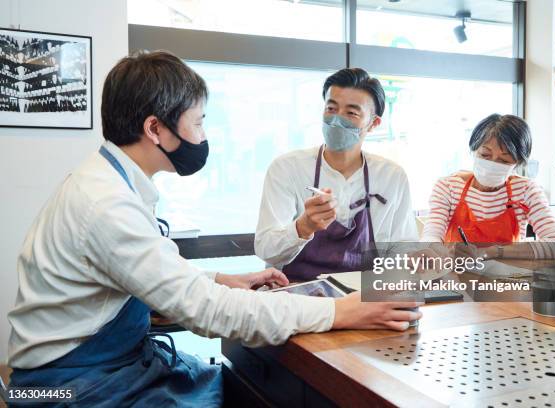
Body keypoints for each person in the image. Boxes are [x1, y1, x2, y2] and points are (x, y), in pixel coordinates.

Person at [7, 51, 422, 407]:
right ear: (156, 129)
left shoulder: (107, 183)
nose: (204, 136)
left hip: (96, 366)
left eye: (352, 112)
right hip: (66, 387)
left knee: (237, 384)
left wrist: (221, 278)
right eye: (198, 122)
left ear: (373, 122)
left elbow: (145, 274)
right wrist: (337, 310)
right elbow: (209, 311)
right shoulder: (107, 204)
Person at [255, 68, 418, 281]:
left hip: (364, 299)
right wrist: (303, 226)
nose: (337, 119)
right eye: (331, 108)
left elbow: (404, 252)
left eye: (351, 113)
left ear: (374, 123)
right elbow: (266, 250)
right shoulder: (287, 168)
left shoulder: (392, 177)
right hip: (297, 296)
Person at [421, 114, 555, 260]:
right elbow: (431, 236)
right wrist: (439, 251)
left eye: (504, 160)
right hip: (456, 278)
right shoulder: (448, 187)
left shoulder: (525, 190)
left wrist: (495, 252)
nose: (492, 164)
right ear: (474, 150)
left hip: (509, 279)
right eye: (485, 155)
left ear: (516, 163)